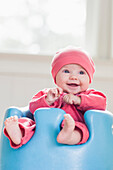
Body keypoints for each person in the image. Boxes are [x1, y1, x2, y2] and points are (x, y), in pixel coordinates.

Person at [4, 46, 107, 148]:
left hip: (75, 125)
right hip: (44, 129)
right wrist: (47, 100)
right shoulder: (49, 93)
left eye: (81, 72)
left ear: (89, 79)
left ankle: (68, 135)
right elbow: (32, 108)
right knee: (27, 123)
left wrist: (79, 100)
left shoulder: (90, 94)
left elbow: (101, 103)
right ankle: (18, 133)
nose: (73, 77)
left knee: (82, 131)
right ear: (55, 77)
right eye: (66, 71)